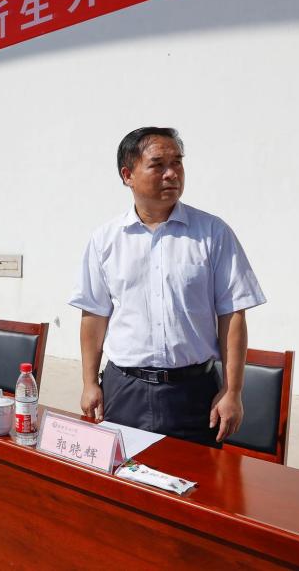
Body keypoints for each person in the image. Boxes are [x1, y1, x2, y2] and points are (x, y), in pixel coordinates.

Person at [70, 127, 266, 448]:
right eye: (158, 165)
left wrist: (232, 391)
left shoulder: (213, 233)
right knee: (123, 472)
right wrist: (90, 382)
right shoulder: (106, 240)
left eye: (177, 162)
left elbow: (232, 315)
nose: (172, 173)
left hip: (194, 393)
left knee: (197, 477)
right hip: (125, 390)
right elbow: (94, 315)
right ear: (127, 175)